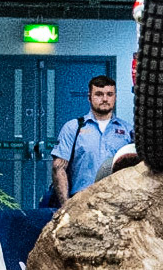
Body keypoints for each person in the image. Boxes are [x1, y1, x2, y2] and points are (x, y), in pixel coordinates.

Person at [51, 75, 133, 204]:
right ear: (89, 97)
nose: (105, 99)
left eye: (110, 94)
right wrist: (65, 206)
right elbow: (58, 168)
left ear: (115, 97)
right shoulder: (73, 127)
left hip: (117, 201)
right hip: (81, 200)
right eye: (99, 94)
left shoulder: (128, 131)